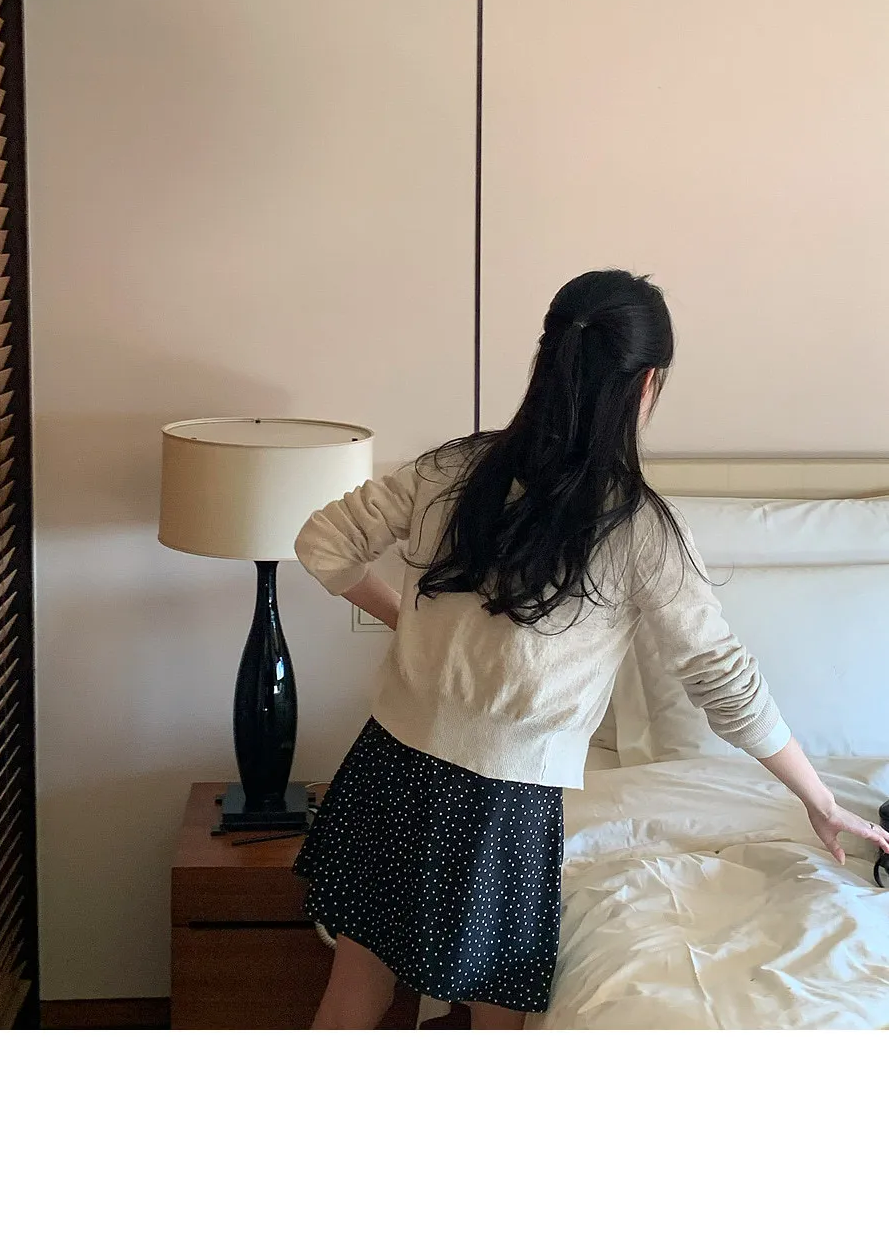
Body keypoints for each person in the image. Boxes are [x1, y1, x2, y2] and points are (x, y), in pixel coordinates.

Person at [291, 267, 889, 1027]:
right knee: (495, 1020)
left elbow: (322, 543)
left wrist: (406, 625)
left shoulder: (452, 468)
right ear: (647, 385)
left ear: (546, 358)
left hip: (391, 763)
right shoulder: (637, 530)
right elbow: (723, 679)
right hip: (502, 801)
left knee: (354, 987)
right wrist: (820, 799)